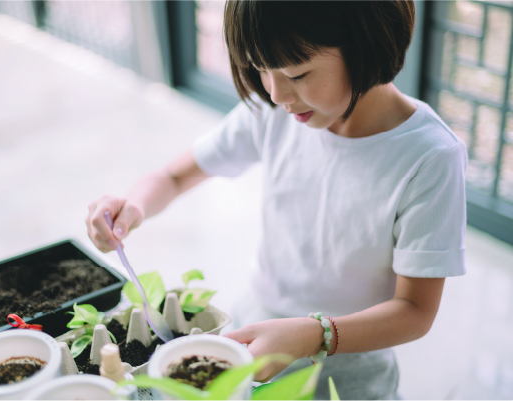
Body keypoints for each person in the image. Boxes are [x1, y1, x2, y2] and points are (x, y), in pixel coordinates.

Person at [86, 1, 467, 399]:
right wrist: (132, 206)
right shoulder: (275, 112)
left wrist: (316, 335)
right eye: (260, 67)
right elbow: (174, 175)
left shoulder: (429, 157)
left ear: (365, 43)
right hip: (256, 329)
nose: (276, 92)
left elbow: (415, 311)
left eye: (297, 73)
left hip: (351, 366)